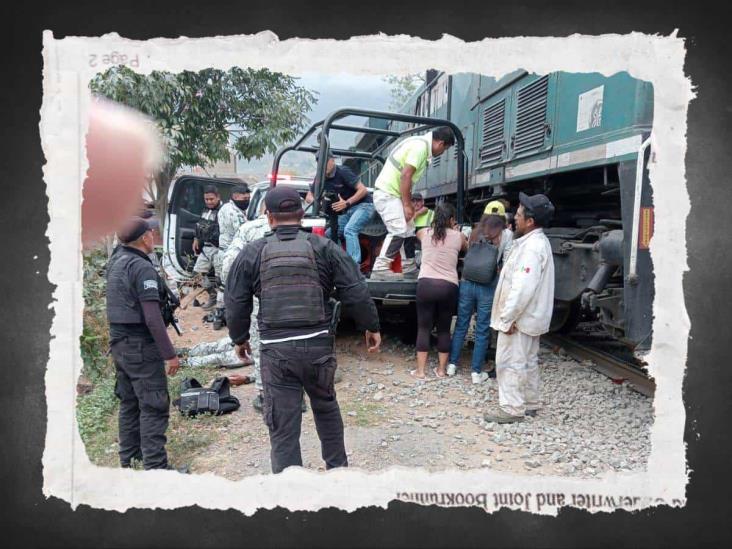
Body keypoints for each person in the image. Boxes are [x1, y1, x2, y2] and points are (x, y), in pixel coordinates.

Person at [225, 186, 382, 473]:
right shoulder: (324, 247)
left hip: (276, 353)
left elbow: (236, 299)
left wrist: (239, 338)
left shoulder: (253, 252)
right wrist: (370, 326)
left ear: (268, 217)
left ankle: (290, 490)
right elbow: (354, 288)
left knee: (283, 423)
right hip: (318, 349)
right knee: (326, 409)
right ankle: (338, 473)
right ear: (301, 215)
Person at [105, 217, 180, 470]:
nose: (153, 236)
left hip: (120, 344)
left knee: (130, 403)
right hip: (139, 345)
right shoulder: (141, 267)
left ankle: (130, 460)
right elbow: (152, 317)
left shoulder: (116, 261)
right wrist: (169, 354)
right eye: (151, 232)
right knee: (154, 404)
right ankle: (157, 468)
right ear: (145, 237)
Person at [484, 192, 556, 424]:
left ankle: (512, 408)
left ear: (530, 221)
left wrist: (507, 318)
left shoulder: (531, 248)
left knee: (509, 362)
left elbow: (522, 288)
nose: (514, 218)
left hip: (520, 319)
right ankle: (530, 402)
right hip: (530, 317)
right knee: (528, 361)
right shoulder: (536, 243)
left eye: (518, 214)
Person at [370, 127, 455, 280]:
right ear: (441, 143)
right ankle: (380, 267)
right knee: (398, 229)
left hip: (392, 194)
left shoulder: (419, 145)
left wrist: (406, 203)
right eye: (445, 149)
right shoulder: (420, 147)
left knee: (409, 228)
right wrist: (407, 205)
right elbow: (406, 175)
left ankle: (408, 267)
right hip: (388, 193)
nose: (442, 153)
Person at [446, 214, 507, 383]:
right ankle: (476, 372)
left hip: (467, 283)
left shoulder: (473, 232)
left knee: (461, 325)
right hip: (486, 286)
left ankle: (452, 365)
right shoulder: (500, 236)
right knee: (482, 330)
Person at [411, 203, 467, 379]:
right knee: (444, 329)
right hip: (448, 286)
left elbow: (413, 229)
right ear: (451, 220)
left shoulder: (424, 233)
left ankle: (420, 371)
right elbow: (467, 249)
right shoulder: (459, 236)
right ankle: (441, 371)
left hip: (426, 284)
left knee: (423, 327)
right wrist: (456, 230)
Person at [305, 153, 375, 266]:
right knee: (329, 234)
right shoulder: (320, 177)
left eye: (326, 161)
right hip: (349, 211)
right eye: (320, 163)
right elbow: (309, 196)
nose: (324, 165)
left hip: (364, 206)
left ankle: (353, 266)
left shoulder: (343, 172)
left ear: (332, 160)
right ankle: (340, 262)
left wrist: (347, 203)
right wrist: (318, 201)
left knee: (350, 230)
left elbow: (363, 190)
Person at [212, 183, 251, 329]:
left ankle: (219, 316)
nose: (247, 199)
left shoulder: (226, 208)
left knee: (222, 286)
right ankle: (228, 317)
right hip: (231, 254)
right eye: (244, 196)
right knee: (231, 287)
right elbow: (242, 232)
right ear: (235, 196)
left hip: (223, 252)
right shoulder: (234, 212)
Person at [192, 185, 222, 311]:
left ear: (218, 197)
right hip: (206, 248)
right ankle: (213, 295)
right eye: (206, 199)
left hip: (219, 249)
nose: (209, 202)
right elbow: (200, 225)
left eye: (211, 199)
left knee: (221, 278)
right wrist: (196, 239)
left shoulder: (224, 211)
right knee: (197, 274)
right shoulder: (205, 210)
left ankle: (222, 306)